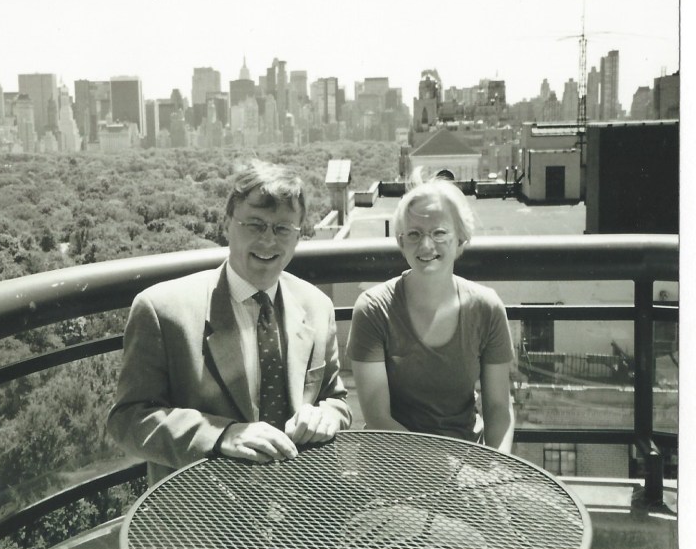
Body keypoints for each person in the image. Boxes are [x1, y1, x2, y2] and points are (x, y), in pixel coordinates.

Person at [108, 161, 352, 484]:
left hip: (299, 500)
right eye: (255, 225)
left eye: (282, 229)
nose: (268, 241)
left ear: (298, 237)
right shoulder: (163, 310)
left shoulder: (317, 306)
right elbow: (128, 420)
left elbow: (337, 400)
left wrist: (325, 417)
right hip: (206, 506)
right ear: (227, 225)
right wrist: (221, 436)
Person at [347, 177, 515, 452]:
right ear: (401, 242)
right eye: (414, 234)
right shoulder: (374, 308)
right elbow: (378, 417)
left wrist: (497, 465)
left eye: (439, 233)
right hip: (392, 461)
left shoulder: (487, 308)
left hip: (466, 459)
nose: (426, 246)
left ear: (461, 238)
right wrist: (441, 469)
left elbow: (498, 407)